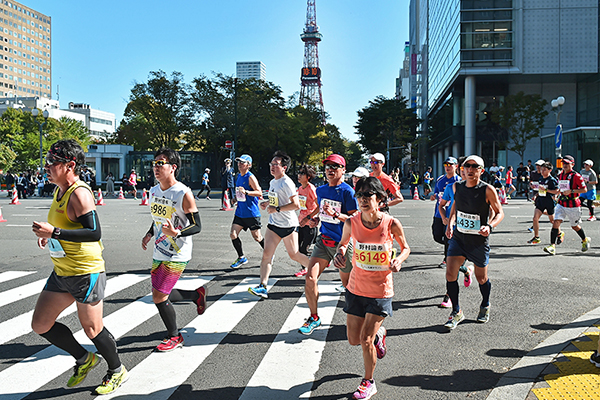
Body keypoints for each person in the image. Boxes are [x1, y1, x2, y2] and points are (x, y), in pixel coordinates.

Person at [31, 139, 128, 395]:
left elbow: (94, 232)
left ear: (70, 165)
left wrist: (56, 232)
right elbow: (65, 228)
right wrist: (50, 235)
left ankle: (117, 370)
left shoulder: (79, 193)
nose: (47, 167)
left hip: (86, 271)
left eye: (53, 163)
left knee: (93, 329)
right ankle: (85, 359)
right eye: (48, 161)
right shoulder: (58, 190)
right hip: (62, 272)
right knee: (41, 324)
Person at [332, 176, 410, 400]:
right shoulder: (352, 222)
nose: (363, 199)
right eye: (360, 195)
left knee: (365, 339)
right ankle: (380, 336)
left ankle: (368, 381)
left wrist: (399, 260)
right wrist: (339, 254)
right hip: (356, 288)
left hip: (380, 290)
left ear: (380, 198)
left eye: (368, 195)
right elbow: (343, 243)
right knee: (353, 340)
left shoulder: (390, 223)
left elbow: (406, 248)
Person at [141, 147, 206, 352]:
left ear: (173, 167)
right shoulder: (154, 191)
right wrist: (150, 233)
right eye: (155, 163)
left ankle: (175, 336)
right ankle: (197, 295)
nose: (156, 167)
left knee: (159, 296)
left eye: (161, 163)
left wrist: (176, 233)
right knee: (159, 293)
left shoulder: (183, 193)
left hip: (178, 251)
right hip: (160, 248)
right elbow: (158, 219)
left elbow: (197, 225)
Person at [299, 154, 358, 335]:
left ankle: (357, 318)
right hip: (323, 242)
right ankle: (314, 317)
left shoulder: (347, 192)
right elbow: (321, 208)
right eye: (327, 167)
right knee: (310, 278)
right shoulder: (321, 190)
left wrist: (335, 215)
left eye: (335, 167)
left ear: (343, 170)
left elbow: (355, 220)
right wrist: (315, 219)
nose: (330, 170)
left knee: (349, 286)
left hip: (343, 244)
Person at [444, 155, 504, 330]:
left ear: (481, 170)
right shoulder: (456, 187)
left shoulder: (487, 190)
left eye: (474, 167)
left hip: (478, 240)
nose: (470, 170)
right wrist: (450, 223)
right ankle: (456, 311)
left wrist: (490, 226)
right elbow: (455, 206)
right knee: (450, 274)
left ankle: (485, 304)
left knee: (481, 278)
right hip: (459, 238)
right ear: (462, 169)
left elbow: (499, 212)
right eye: (466, 166)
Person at [248, 151, 310, 298]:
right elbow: (277, 200)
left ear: (284, 168)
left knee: (294, 255)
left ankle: (314, 268)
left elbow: (295, 205)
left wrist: (275, 209)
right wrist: (267, 203)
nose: (272, 167)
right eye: (271, 164)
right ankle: (263, 286)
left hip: (288, 225)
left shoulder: (287, 182)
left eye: (276, 164)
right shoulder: (273, 182)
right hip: (274, 225)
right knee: (266, 255)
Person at [437, 157, 474, 309]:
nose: (465, 173)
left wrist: (488, 225)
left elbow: (492, 210)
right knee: (451, 263)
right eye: (463, 170)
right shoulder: (451, 187)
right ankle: (449, 295)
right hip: (454, 230)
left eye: (468, 170)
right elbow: (442, 205)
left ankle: (467, 270)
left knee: (460, 264)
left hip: (471, 231)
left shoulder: (480, 188)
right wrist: (446, 220)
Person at [543, 155, 591, 255]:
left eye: (567, 163)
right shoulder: (560, 175)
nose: (564, 165)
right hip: (561, 203)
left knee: (574, 226)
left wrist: (572, 191)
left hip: (573, 205)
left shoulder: (576, 176)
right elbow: (561, 188)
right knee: (556, 222)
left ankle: (584, 239)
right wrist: (557, 195)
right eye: (563, 163)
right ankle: (552, 246)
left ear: (572, 164)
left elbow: (584, 189)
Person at [229, 154, 265, 269]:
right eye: (239, 162)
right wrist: (235, 199)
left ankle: (269, 253)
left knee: (257, 237)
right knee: (233, 234)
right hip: (240, 212)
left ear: (248, 165)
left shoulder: (250, 177)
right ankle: (241, 257)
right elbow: (240, 193)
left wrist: (247, 192)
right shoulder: (239, 176)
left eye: (242, 162)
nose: (239, 164)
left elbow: (259, 192)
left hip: (251, 213)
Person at [431, 157, 461, 269]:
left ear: (456, 166)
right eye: (446, 165)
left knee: (448, 237)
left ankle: (447, 259)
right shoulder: (440, 180)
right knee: (437, 236)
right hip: (439, 213)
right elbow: (437, 194)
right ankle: (454, 247)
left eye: (450, 165)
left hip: (452, 215)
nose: (448, 167)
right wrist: (433, 196)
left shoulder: (458, 181)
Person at [295, 164, 319, 278]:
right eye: (298, 173)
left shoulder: (311, 189)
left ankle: (306, 268)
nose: (299, 176)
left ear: (308, 176)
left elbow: (319, 206)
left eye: (302, 174)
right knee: (298, 247)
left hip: (310, 223)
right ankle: (312, 264)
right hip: (301, 222)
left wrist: (309, 218)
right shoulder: (300, 189)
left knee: (304, 247)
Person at [528, 162, 559, 245]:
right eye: (541, 169)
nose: (542, 171)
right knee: (535, 218)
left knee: (552, 221)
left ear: (550, 170)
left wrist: (546, 190)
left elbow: (556, 191)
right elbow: (541, 189)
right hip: (541, 200)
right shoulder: (541, 179)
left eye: (544, 170)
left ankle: (559, 233)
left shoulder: (552, 180)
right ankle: (536, 237)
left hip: (549, 201)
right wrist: (536, 193)